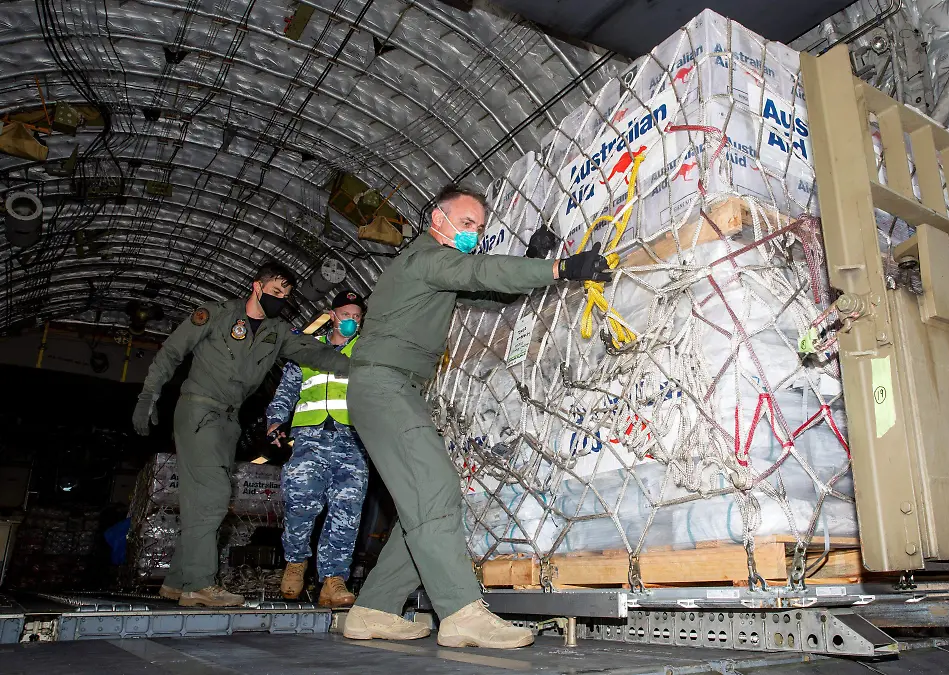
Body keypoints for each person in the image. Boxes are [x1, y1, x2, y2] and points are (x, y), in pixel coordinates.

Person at [341, 184, 610, 648]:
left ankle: (374, 608)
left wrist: (529, 258)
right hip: (382, 384)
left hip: (397, 387)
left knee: (422, 503)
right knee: (435, 489)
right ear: (436, 219)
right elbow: (481, 268)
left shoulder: (439, 269)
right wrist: (560, 268)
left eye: (479, 228)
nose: (474, 234)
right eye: (467, 224)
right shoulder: (424, 257)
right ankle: (461, 613)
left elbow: (490, 294)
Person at [133, 262, 351, 608]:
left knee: (198, 500)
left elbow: (316, 354)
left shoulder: (277, 331)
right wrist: (149, 395)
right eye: (276, 292)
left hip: (228, 421)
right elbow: (173, 351)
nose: (282, 299)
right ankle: (200, 585)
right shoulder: (216, 315)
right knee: (215, 495)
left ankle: (177, 582)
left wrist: (362, 366)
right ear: (257, 287)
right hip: (199, 411)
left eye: (287, 295)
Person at [264, 289, 368, 608]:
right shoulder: (307, 349)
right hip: (310, 439)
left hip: (353, 441)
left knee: (347, 510)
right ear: (332, 315)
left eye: (356, 316)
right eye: (345, 314)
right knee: (300, 502)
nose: (350, 320)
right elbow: (288, 389)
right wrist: (275, 422)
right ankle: (295, 564)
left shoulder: (365, 351)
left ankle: (333, 580)